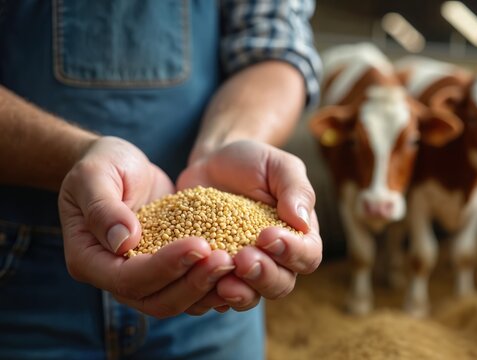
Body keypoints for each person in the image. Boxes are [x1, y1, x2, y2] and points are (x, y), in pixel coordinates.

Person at [0, 1, 323, 359]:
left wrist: (226, 142)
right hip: (18, 283)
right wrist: (75, 154)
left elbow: (275, 48)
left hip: (217, 295)